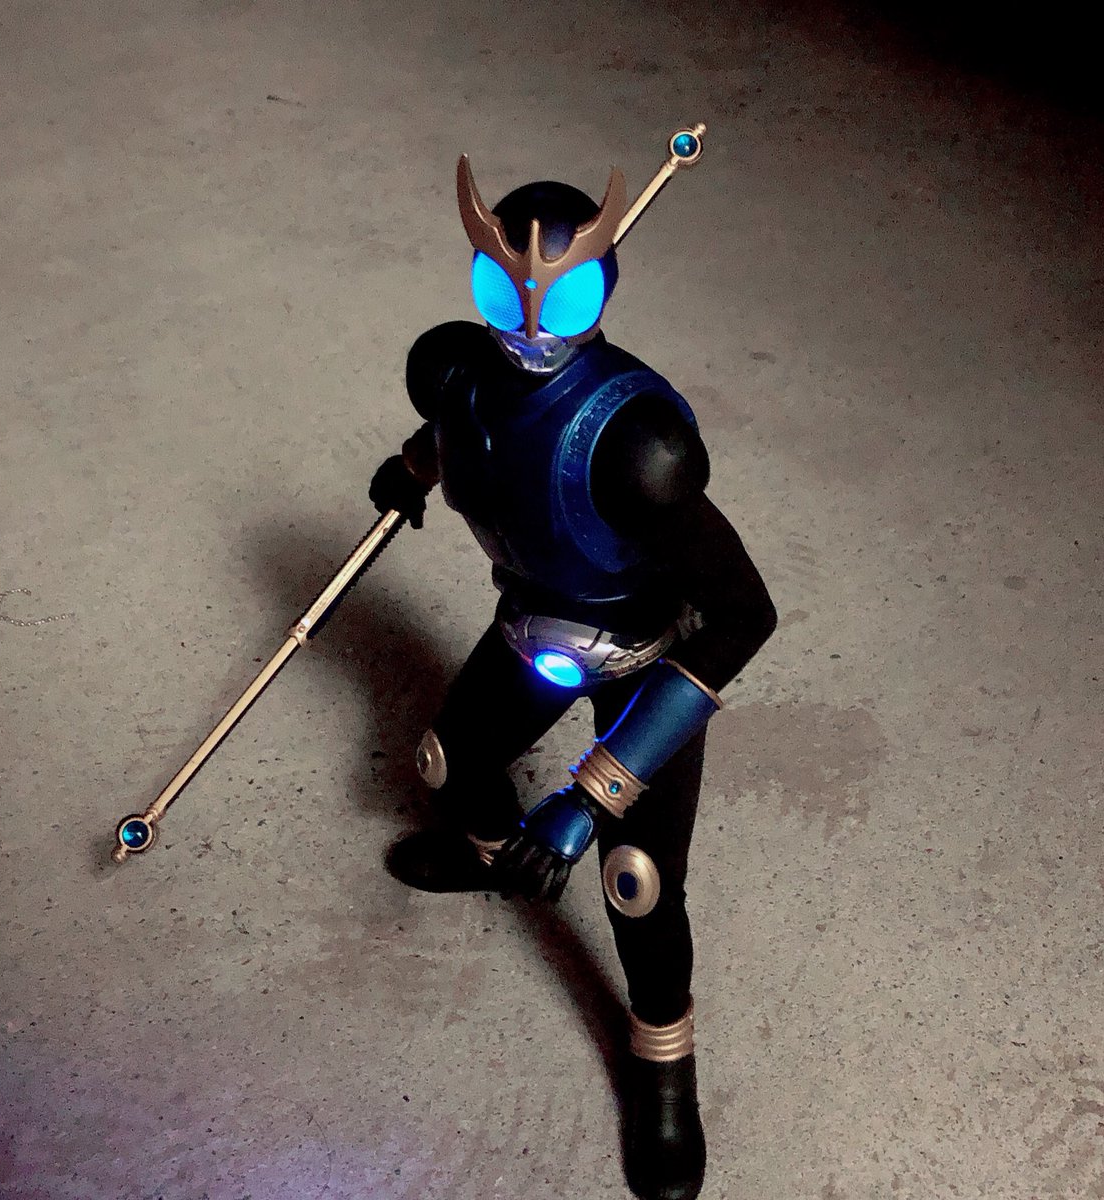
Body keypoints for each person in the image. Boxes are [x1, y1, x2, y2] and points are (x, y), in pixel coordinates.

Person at [368, 134, 777, 1200]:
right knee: (449, 763)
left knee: (636, 883)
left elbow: (744, 618)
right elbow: (459, 434)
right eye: (502, 296)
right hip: (531, 628)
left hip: (647, 659)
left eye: (569, 297)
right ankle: (498, 857)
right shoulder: (458, 374)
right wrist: (409, 471)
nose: (533, 328)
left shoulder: (638, 446)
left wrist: (589, 797)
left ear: (603, 286)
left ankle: (664, 1054)